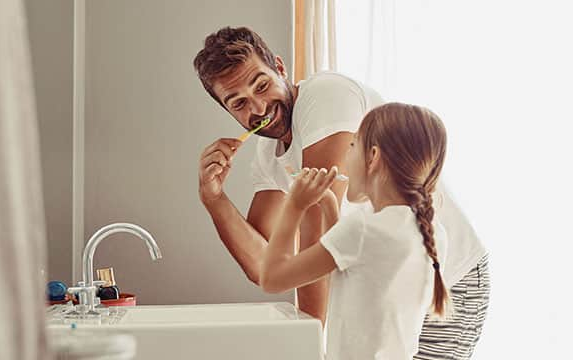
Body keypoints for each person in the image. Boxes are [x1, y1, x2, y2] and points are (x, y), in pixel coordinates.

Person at [194, 26, 489, 359]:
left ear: (280, 67)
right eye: (239, 103)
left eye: (261, 85)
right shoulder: (269, 156)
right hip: (385, 293)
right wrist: (214, 198)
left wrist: (311, 348)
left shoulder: (325, 96)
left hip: (446, 280)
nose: (259, 108)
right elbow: (265, 265)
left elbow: (314, 232)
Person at [261, 102, 449, 359]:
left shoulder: (363, 229)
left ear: (372, 157)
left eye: (352, 145)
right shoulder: (430, 231)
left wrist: (294, 205)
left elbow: (273, 279)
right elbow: (354, 269)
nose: (346, 156)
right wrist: (328, 205)